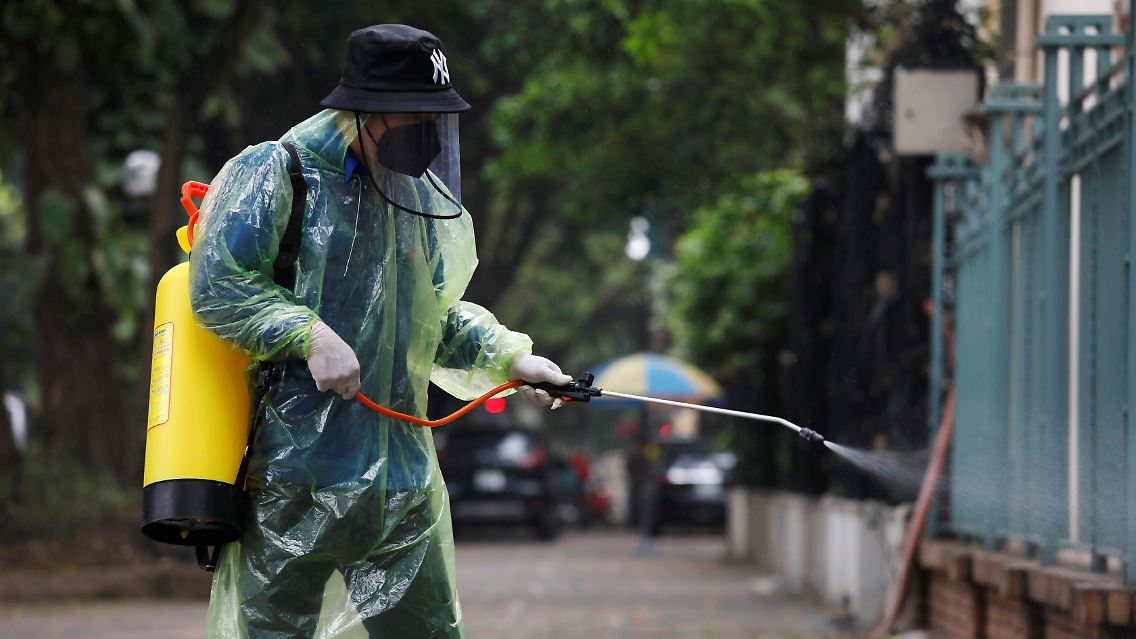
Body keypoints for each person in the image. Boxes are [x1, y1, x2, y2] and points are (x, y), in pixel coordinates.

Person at [189, 24, 571, 638]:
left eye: (433, 118)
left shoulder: (414, 199)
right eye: (413, 115)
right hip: (293, 478)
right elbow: (219, 284)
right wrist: (308, 335)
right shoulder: (277, 174)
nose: (426, 131)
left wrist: (510, 360)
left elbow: (429, 320)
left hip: (401, 486)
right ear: (363, 111)